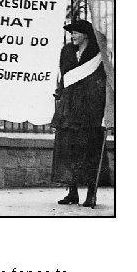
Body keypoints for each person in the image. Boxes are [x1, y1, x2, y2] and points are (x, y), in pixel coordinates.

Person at [51, 19, 110, 207]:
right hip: (69, 109)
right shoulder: (66, 51)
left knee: (90, 151)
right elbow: (64, 76)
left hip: (90, 110)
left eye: (76, 33)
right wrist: (60, 93)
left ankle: (91, 194)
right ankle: (72, 192)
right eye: (71, 33)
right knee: (68, 151)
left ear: (85, 34)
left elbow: (104, 80)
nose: (73, 36)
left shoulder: (98, 53)